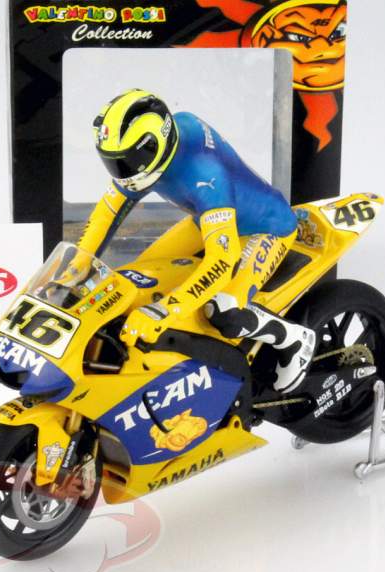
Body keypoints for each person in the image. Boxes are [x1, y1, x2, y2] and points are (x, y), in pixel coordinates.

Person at [76, 88, 315, 392]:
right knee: (133, 281)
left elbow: (222, 262)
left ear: (153, 145)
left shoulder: (204, 172)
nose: (122, 172)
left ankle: (293, 339)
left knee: (224, 310)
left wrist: (167, 310)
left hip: (264, 227)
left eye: (128, 161)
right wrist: (76, 264)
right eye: (114, 162)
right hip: (207, 219)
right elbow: (107, 213)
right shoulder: (153, 153)